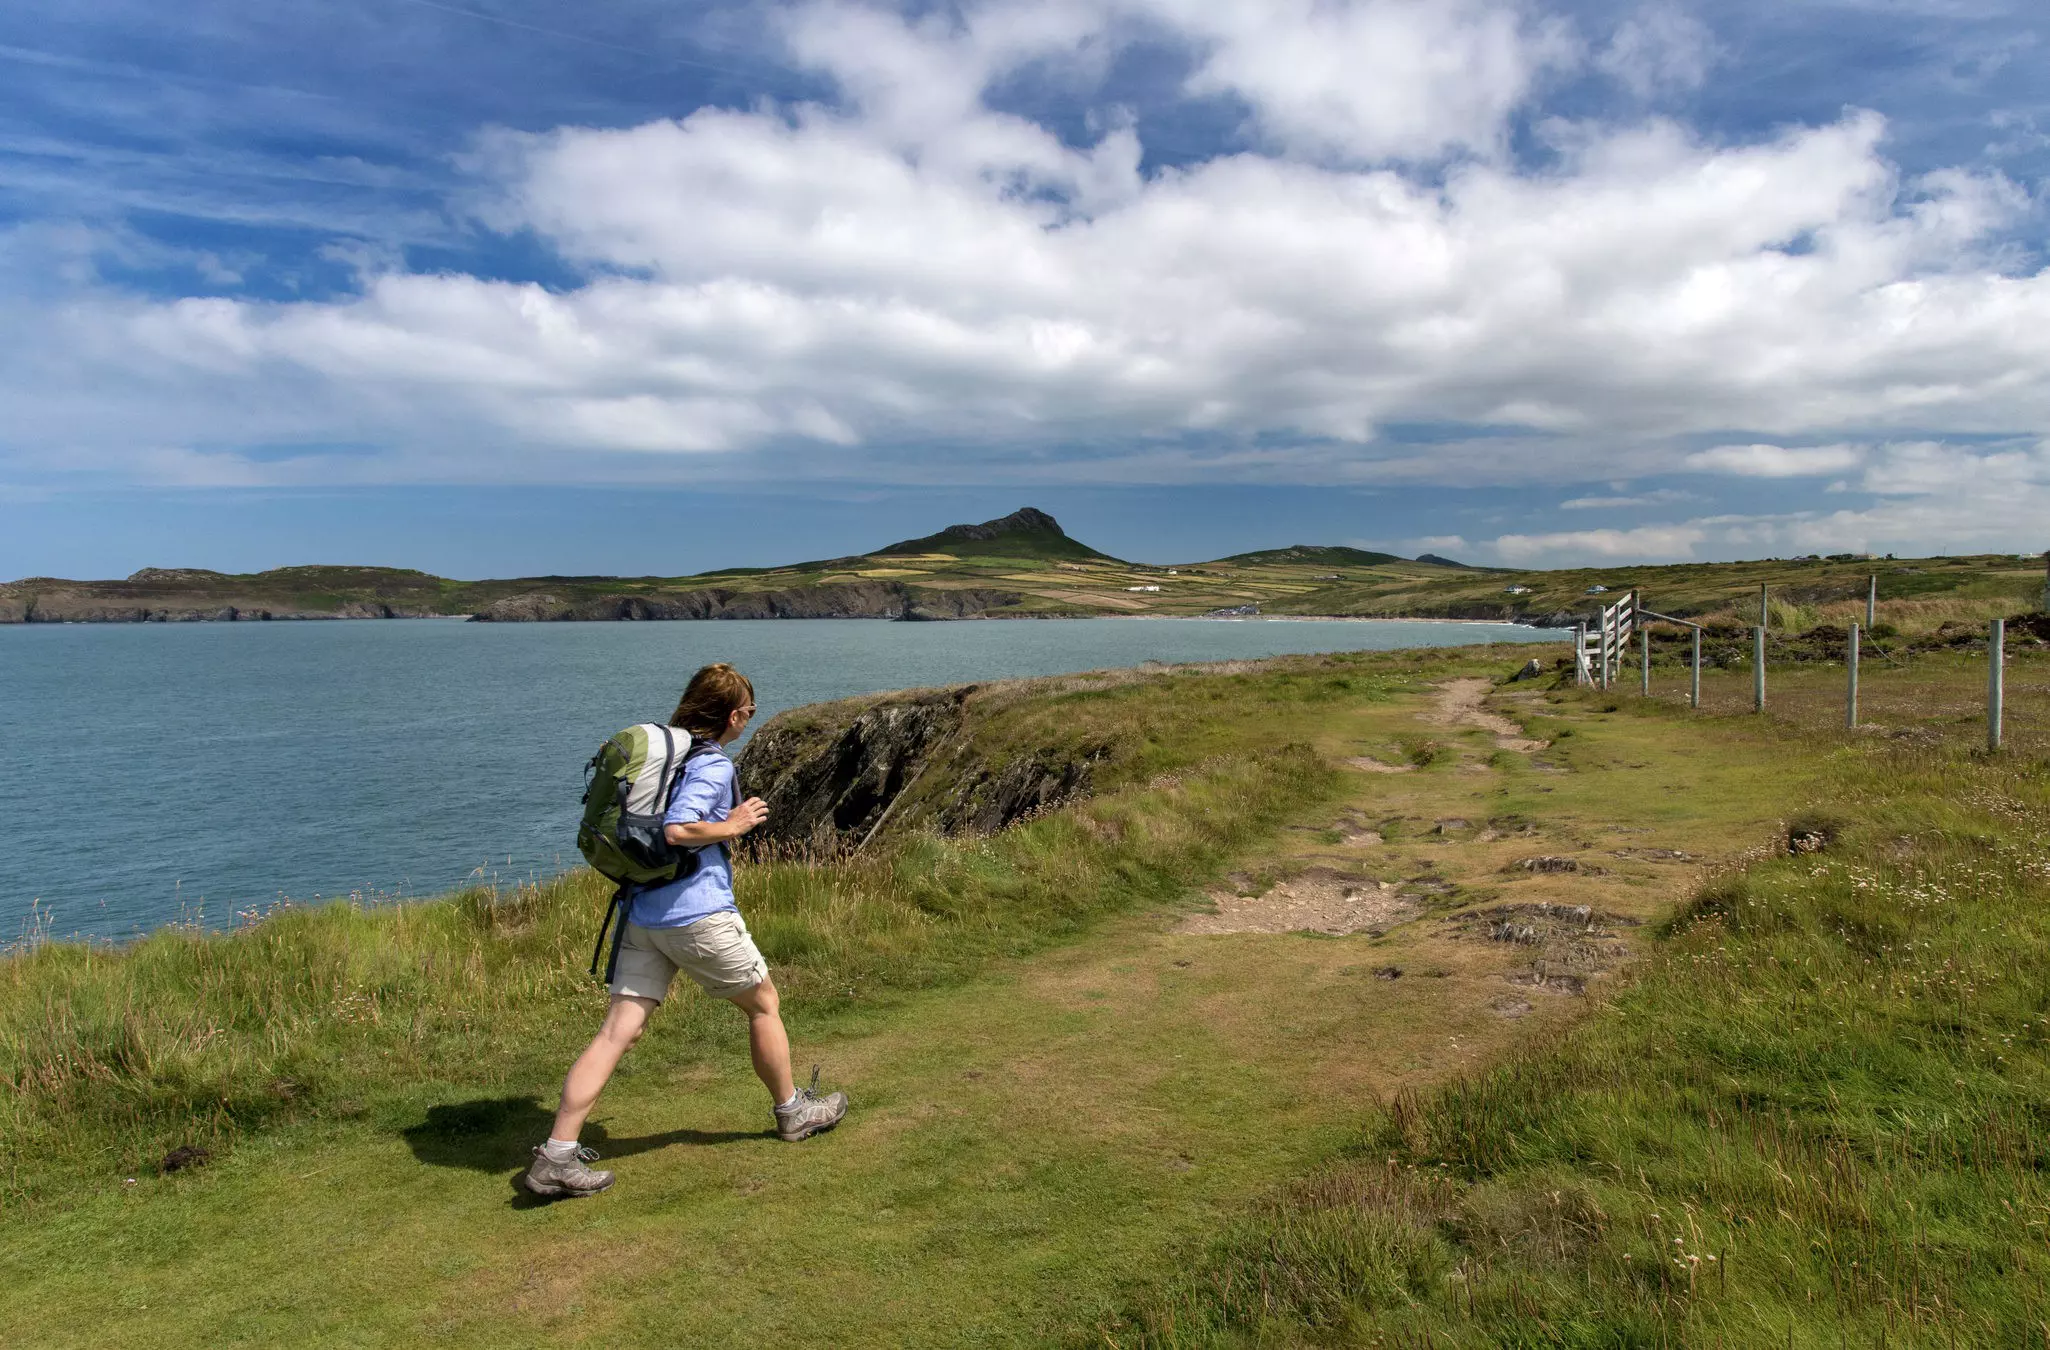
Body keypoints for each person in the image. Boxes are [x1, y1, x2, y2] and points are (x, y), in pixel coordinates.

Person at [525, 663, 848, 1198]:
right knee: (763, 1004)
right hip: (696, 913)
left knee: (616, 1033)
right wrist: (735, 824)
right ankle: (793, 1113)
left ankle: (556, 1154)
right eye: (748, 711)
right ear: (732, 714)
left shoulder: (665, 759)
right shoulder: (712, 765)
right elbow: (678, 829)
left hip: (642, 913)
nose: (747, 720)